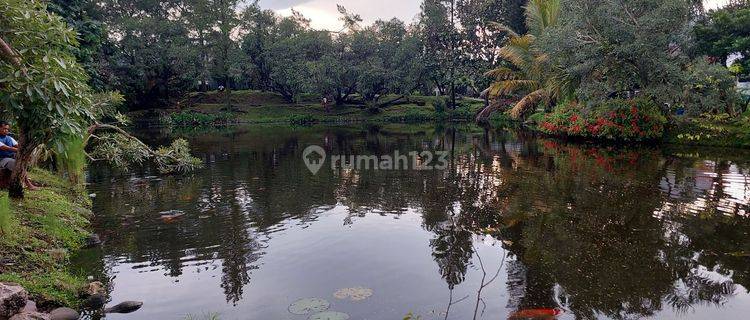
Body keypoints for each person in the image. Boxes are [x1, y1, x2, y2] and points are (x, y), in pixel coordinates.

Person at [0, 121, 39, 190]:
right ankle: (28, 184)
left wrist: (26, 150)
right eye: (4, 128)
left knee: (21, 161)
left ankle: (22, 181)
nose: (6, 130)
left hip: (10, 158)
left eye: (7, 129)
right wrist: (20, 150)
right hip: (2, 159)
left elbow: (19, 146)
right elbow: (5, 147)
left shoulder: (9, 138)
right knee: (16, 164)